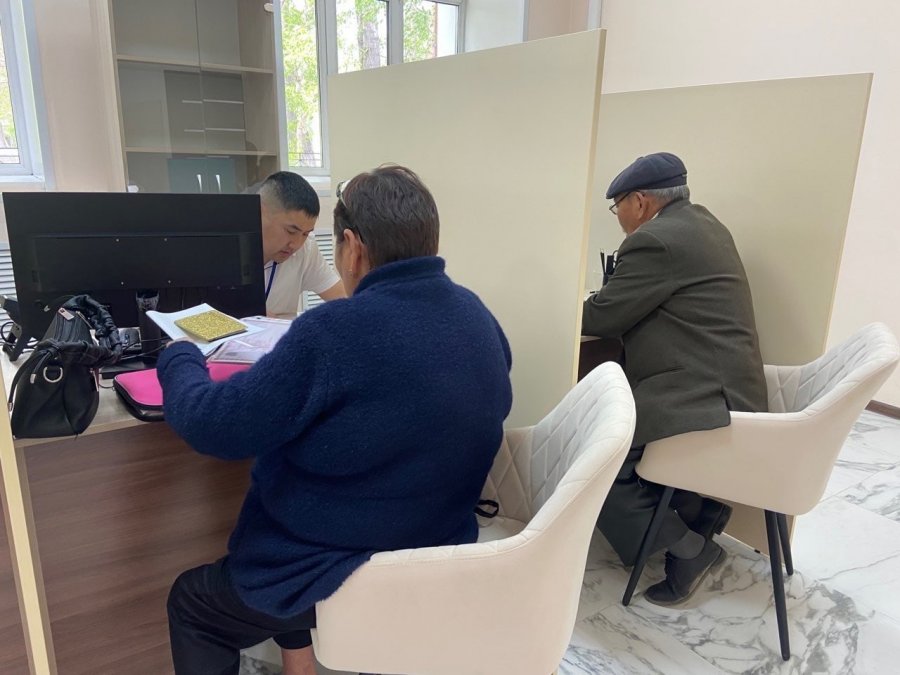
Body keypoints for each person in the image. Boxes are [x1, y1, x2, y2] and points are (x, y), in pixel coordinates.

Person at [158, 164, 513, 674]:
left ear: (351, 246)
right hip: (437, 551)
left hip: (335, 565)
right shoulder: (476, 315)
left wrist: (179, 356)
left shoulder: (332, 332)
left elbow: (214, 426)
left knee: (194, 605)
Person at [582, 152, 768, 606]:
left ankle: (689, 549)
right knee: (611, 430)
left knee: (595, 450)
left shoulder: (654, 241)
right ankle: (700, 514)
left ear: (640, 202)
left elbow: (603, 317)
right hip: (726, 384)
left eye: (617, 207)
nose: (618, 217)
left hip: (700, 394)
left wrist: (561, 302)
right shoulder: (704, 224)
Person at [254, 171, 346, 317]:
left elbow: (343, 299)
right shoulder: (223, 249)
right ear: (259, 213)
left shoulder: (306, 249)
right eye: (291, 231)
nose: (296, 244)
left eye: (305, 234)